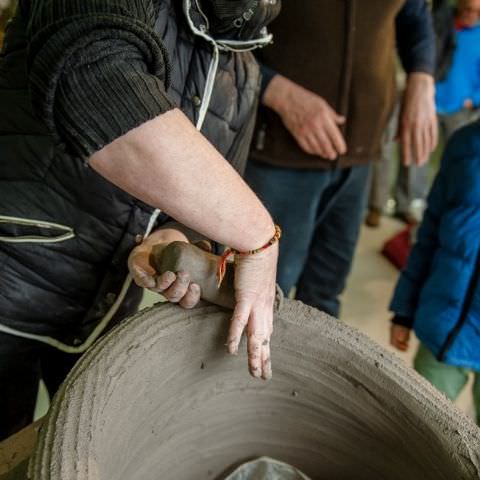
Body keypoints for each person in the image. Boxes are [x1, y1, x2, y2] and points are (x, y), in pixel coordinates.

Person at [0, 0, 281, 440]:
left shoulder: (242, 70)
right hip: (11, 281)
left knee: (82, 443)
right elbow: (91, 80)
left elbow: (194, 206)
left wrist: (167, 237)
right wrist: (259, 237)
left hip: (103, 302)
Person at [246, 0, 437, 317]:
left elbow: (414, 13)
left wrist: (422, 75)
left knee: (325, 297)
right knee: (258, 295)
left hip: (360, 157)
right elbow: (211, 31)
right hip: (275, 154)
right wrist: (277, 92)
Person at [390, 120, 480, 424]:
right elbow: (429, 233)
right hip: (443, 325)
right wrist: (404, 309)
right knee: (418, 429)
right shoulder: (465, 143)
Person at [435, 0, 480, 140]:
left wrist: (475, 98)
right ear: (459, 4)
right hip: (428, 103)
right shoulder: (441, 25)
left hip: (460, 109)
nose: (473, 15)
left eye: (479, 12)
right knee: (414, 156)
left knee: (458, 157)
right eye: (468, 9)